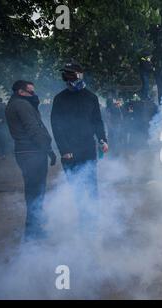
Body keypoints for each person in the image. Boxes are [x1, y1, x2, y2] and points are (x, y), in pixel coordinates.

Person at [51, 62, 108, 229]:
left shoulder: (91, 97)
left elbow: (97, 121)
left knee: (91, 185)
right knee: (75, 186)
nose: (68, 78)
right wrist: (64, 149)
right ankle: (82, 219)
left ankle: (92, 222)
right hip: (69, 152)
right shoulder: (59, 98)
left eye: (71, 74)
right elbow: (56, 125)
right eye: (65, 75)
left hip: (88, 149)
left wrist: (103, 139)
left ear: (80, 75)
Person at [5, 80, 56, 241]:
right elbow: (34, 129)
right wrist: (48, 148)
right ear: (21, 92)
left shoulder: (17, 104)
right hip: (32, 153)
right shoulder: (21, 105)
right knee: (36, 191)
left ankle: (34, 227)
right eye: (30, 91)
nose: (34, 94)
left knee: (34, 191)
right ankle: (33, 231)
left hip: (27, 152)